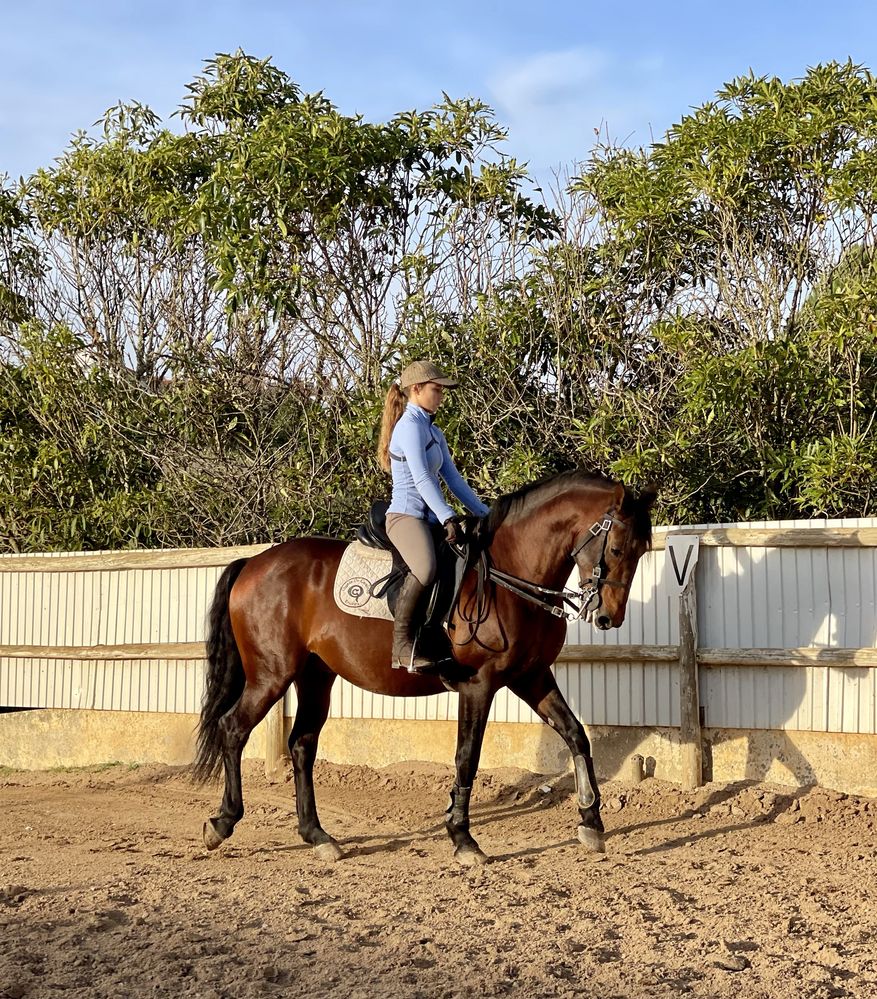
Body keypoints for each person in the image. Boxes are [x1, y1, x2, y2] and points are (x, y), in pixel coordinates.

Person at [377, 359, 490, 672]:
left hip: (430, 518)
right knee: (426, 568)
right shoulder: (409, 427)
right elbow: (422, 478)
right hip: (405, 517)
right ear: (416, 389)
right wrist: (447, 515)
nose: (441, 396)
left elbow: (453, 480)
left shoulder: (433, 431)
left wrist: (486, 513)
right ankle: (402, 645)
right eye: (436, 390)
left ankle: (432, 633)